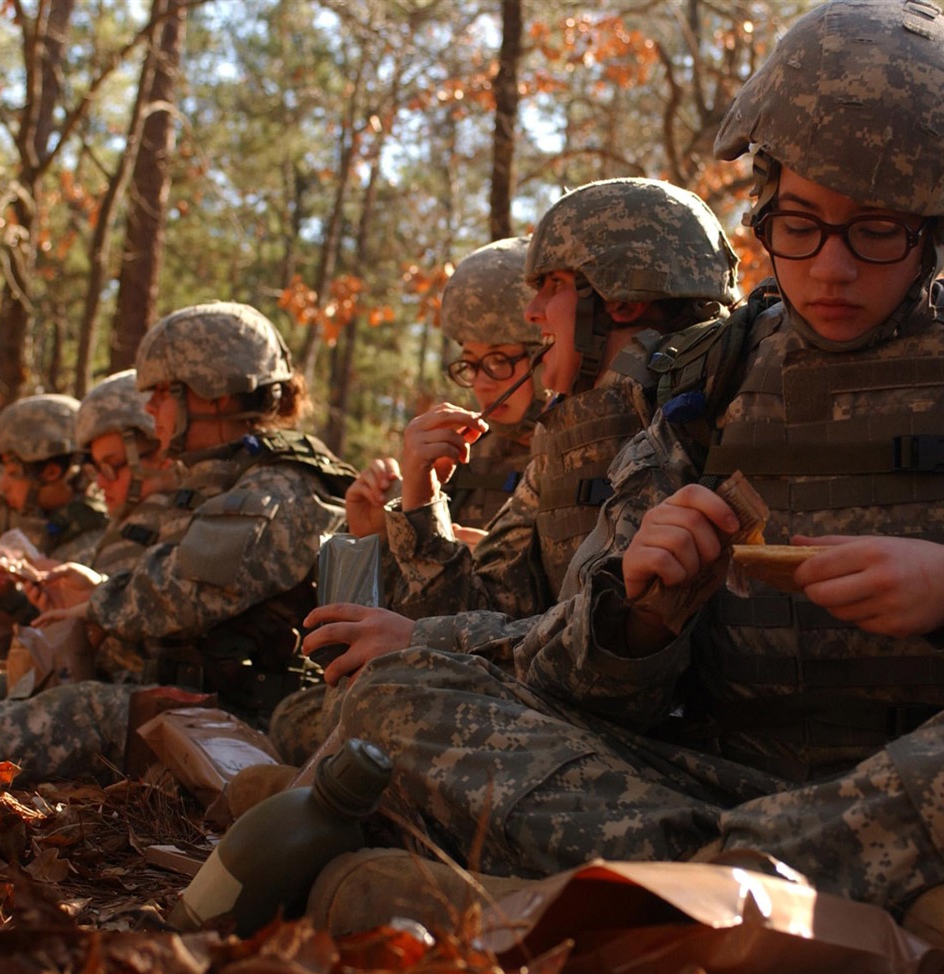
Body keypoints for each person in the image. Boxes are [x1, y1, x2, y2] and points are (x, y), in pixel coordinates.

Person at [304, 0, 944, 965]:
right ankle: (842, 915)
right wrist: (639, 619)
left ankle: (662, 905)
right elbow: (576, 675)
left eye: (876, 233)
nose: (829, 267)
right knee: (403, 691)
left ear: (943, 229)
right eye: (798, 224)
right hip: (724, 788)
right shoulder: (710, 383)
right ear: (763, 204)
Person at [279, 181, 738, 763]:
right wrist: (419, 502)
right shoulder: (568, 436)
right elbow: (484, 600)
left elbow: (603, 657)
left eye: (551, 287)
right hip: (584, 721)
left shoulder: (692, 415)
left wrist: (420, 641)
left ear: (618, 302)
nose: (533, 312)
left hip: (676, 747)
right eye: (470, 363)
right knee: (352, 703)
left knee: (384, 705)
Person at [38, 302, 355, 733]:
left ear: (215, 393)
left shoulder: (279, 487)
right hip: (206, 707)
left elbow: (184, 592)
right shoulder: (223, 479)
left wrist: (97, 603)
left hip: (255, 723)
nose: (149, 409)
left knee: (51, 720)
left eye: (162, 392)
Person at [347, 237, 546, 551]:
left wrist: (503, 569)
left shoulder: (590, 454)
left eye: (499, 361)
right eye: (470, 363)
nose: (482, 383)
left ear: (545, 355)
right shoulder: (457, 457)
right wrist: (376, 533)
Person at [0, 393, 109, 570]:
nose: (3, 486)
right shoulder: (56, 534)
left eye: (13, 473)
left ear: (51, 472)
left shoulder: (92, 544)